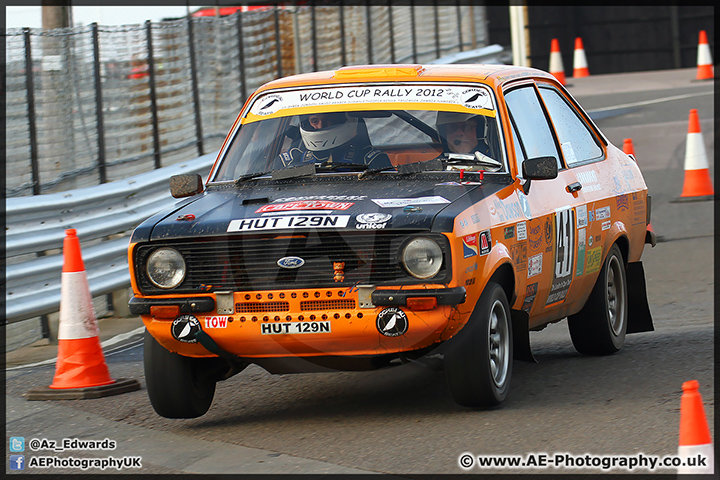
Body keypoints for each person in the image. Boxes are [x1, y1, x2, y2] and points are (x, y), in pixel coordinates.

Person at [277, 112, 392, 170]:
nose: (321, 126)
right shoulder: (291, 160)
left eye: (328, 120)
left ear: (338, 120)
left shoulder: (370, 159)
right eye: (315, 121)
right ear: (307, 123)